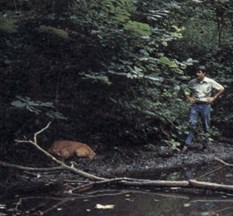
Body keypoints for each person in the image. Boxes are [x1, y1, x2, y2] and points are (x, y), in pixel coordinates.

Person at [182, 66, 224, 152]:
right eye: (197, 72)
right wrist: (189, 97)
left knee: (206, 125)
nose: (197, 74)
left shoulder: (210, 82)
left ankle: (205, 145)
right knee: (191, 124)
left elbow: (221, 88)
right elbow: (185, 90)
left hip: (206, 106)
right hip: (195, 105)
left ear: (204, 73)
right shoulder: (192, 82)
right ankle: (186, 145)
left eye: (199, 72)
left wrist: (214, 97)